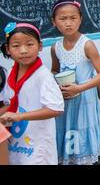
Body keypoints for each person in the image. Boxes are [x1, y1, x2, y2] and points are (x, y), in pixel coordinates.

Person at [51, 0, 100, 165]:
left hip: (85, 101)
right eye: (63, 19)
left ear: (80, 19)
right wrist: (57, 83)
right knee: (69, 137)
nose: (68, 23)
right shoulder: (56, 47)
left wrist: (79, 88)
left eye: (73, 18)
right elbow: (55, 70)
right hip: (66, 102)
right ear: (54, 22)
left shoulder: (87, 45)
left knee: (83, 138)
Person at [0, 22, 64, 164]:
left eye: (29, 44)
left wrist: (19, 116)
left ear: (40, 46)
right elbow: (9, 102)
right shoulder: (10, 72)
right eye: (16, 46)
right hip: (17, 141)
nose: (23, 50)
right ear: (8, 49)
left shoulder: (42, 76)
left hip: (38, 143)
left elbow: (56, 109)